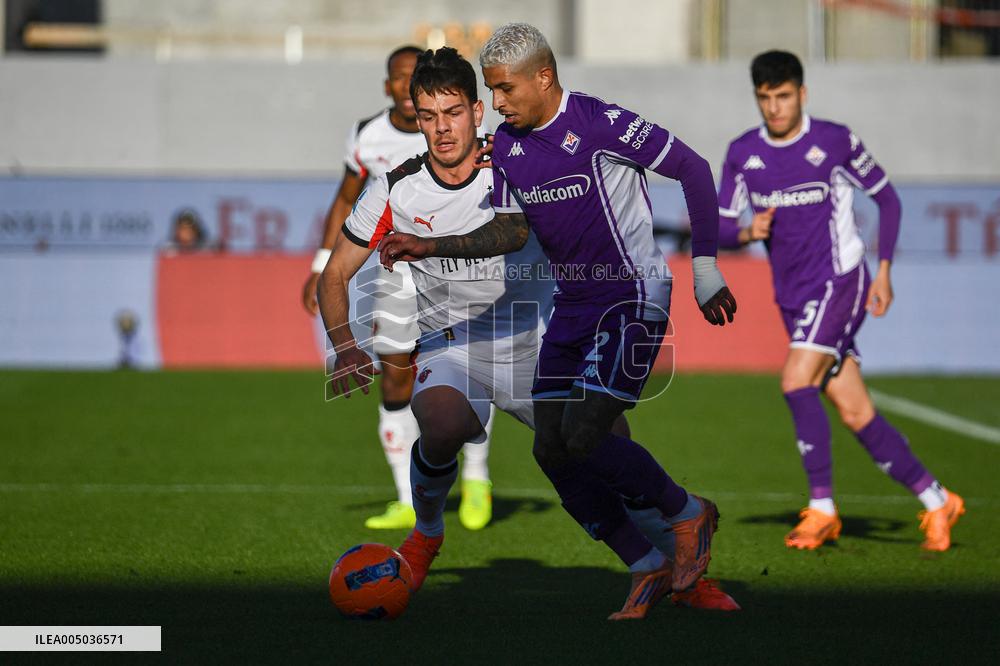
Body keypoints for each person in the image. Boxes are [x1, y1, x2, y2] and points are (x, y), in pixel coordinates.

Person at [378, 24, 739, 616]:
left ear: (543, 78)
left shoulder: (600, 124)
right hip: (571, 307)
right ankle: (647, 566)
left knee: (588, 436)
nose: (496, 104)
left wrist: (705, 269)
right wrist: (431, 245)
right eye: (491, 91)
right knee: (551, 449)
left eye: (504, 89)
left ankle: (686, 512)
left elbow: (695, 169)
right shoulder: (511, 149)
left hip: (630, 296)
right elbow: (510, 230)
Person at [715, 50, 964, 551]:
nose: (775, 108)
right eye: (765, 99)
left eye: (783, 96)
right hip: (791, 296)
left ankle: (823, 508)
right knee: (855, 412)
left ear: (802, 94)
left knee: (794, 380)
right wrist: (746, 232)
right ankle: (939, 500)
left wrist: (886, 271)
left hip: (840, 281)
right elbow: (719, 225)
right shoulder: (743, 153)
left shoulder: (833, 141)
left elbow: (888, 198)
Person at [303, 45, 495, 531]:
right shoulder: (373, 145)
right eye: (428, 110)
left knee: (484, 381)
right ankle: (410, 501)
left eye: (450, 112)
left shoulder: (498, 151)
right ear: (393, 88)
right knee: (397, 380)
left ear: (472, 111)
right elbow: (347, 200)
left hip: (478, 284)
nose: (438, 123)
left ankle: (476, 478)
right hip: (398, 276)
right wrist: (323, 264)